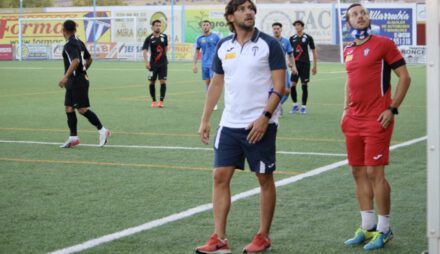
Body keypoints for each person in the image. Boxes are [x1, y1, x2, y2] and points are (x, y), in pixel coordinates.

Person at [196, 0, 286, 253]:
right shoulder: (224, 45)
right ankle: (220, 238)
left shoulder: (269, 44)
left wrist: (264, 117)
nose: (249, 13)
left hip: (260, 123)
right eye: (243, 9)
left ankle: (263, 236)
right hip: (229, 123)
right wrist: (205, 119)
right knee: (219, 176)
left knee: (263, 178)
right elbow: (216, 84)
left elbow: (280, 86)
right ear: (230, 16)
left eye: (252, 9)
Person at [341, 3, 411, 250]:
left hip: (376, 119)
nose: (360, 17)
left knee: (375, 173)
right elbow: (350, 83)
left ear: (368, 18)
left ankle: (384, 229)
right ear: (348, 22)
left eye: (363, 13)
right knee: (357, 172)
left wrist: (391, 108)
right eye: (354, 15)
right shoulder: (348, 49)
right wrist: (344, 110)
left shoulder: (384, 44)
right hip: (352, 120)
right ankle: (367, 226)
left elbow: (405, 77)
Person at [58, 20, 110, 148]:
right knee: (69, 108)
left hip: (77, 82)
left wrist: (65, 77)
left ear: (63, 31)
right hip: (75, 81)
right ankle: (73, 137)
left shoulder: (70, 45)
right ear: (75, 30)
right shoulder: (79, 42)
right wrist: (84, 69)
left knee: (81, 109)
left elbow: (75, 61)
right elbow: (89, 58)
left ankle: (103, 130)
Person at [289, 20, 318, 115]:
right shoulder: (292, 38)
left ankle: (303, 107)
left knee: (304, 85)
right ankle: (295, 105)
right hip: (295, 65)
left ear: (302, 27)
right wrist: (290, 62)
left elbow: (314, 51)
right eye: (295, 26)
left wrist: (314, 66)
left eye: (298, 25)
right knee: (292, 85)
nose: (297, 27)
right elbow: (289, 53)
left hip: (305, 64)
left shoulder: (308, 38)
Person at [193, 20, 221, 110]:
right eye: (204, 25)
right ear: (202, 27)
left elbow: (221, 50)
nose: (205, 26)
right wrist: (194, 64)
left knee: (213, 84)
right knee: (207, 84)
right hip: (204, 64)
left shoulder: (216, 37)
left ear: (210, 26)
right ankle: (209, 102)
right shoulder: (199, 39)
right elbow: (197, 52)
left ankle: (214, 103)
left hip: (214, 64)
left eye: (207, 25)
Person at [271, 22, 297, 115]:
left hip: (283, 69)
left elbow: (290, 54)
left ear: (281, 30)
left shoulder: (286, 41)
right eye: (274, 28)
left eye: (278, 28)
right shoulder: (269, 41)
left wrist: (293, 66)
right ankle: (272, 108)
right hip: (271, 70)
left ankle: (277, 106)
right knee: (271, 89)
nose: (276, 30)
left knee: (287, 91)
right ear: (272, 30)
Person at [142, 19, 168, 108]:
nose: (158, 27)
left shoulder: (164, 36)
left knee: (163, 81)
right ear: (152, 27)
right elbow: (145, 51)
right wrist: (146, 62)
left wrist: (164, 57)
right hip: (153, 64)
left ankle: (161, 101)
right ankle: (153, 101)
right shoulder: (149, 38)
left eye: (159, 25)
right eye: (156, 25)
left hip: (163, 64)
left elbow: (166, 47)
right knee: (152, 82)